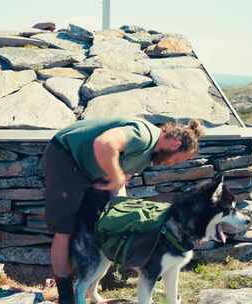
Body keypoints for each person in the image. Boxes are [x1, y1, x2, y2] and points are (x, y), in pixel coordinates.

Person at [43, 117, 204, 303]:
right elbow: (104, 144)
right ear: (175, 143)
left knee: (103, 224)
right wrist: (116, 175)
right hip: (65, 156)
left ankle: (87, 284)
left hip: (90, 168)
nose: (172, 164)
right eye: (177, 160)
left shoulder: (148, 156)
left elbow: (120, 180)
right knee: (65, 229)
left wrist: (120, 210)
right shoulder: (143, 136)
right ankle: (66, 296)